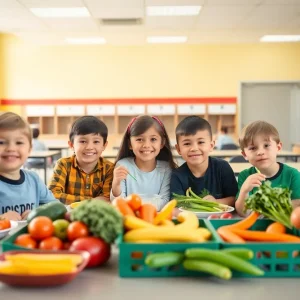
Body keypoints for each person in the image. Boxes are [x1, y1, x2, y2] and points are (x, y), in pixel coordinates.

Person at [110, 115, 176, 210]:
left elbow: (165, 202)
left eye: (153, 139)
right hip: (129, 218)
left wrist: (133, 204)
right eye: (139, 139)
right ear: (130, 144)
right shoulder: (123, 165)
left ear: (162, 143)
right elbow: (117, 202)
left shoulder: (166, 168)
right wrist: (116, 184)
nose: (146, 145)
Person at [235, 120, 300, 216]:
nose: (260, 152)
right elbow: (242, 213)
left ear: (278, 148)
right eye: (253, 148)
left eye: (266, 145)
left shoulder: (292, 175)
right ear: (245, 154)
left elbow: (296, 207)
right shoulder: (245, 176)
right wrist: (244, 191)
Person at [170, 116, 238, 206]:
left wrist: (216, 202)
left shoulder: (222, 167)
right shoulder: (176, 175)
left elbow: (235, 199)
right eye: (187, 143)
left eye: (201, 142)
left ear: (211, 145)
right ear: (178, 149)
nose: (194, 148)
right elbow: (177, 205)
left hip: (220, 219)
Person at [0, 112, 56, 221]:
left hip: (32, 237)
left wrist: (39, 214)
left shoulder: (34, 180)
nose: (11, 148)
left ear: (30, 149)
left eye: (19, 142)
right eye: (1, 142)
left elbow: (56, 208)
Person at [49, 116, 114, 204]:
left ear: (104, 145)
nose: (89, 147)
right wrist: (92, 201)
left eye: (96, 142)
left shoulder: (109, 168)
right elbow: (52, 195)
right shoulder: (63, 164)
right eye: (83, 141)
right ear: (71, 145)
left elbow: (106, 199)